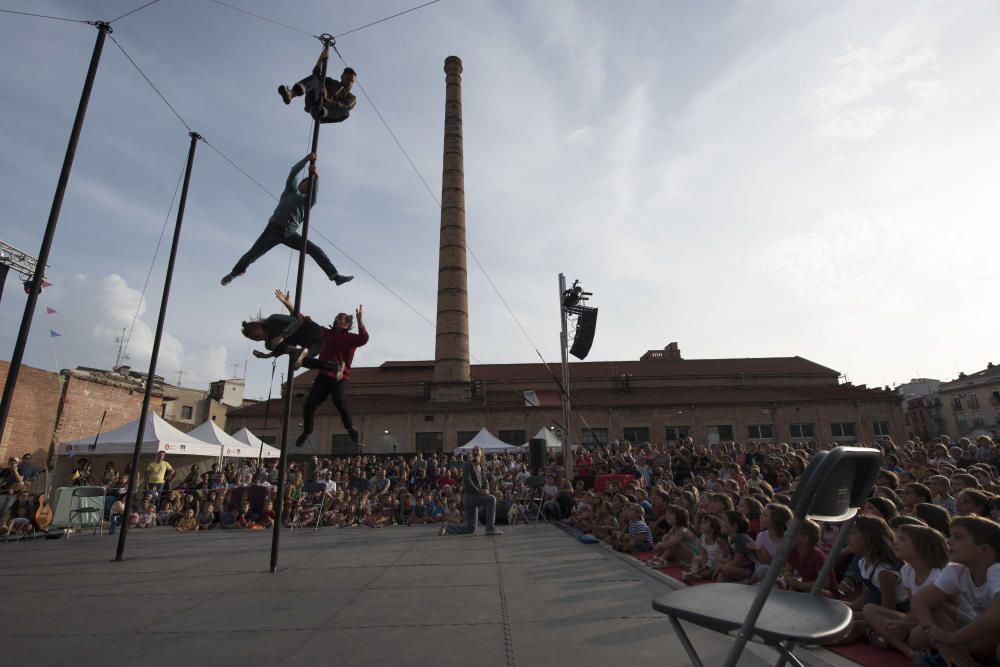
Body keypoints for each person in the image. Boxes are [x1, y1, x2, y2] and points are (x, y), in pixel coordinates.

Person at [221, 152, 353, 286]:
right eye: (306, 182)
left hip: (289, 233)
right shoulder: (291, 190)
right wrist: (306, 160)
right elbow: (293, 172)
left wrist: (316, 178)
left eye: (310, 185)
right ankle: (235, 273)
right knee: (252, 254)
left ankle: (335, 277)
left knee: (316, 250)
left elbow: (315, 196)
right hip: (273, 230)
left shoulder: (307, 202)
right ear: (300, 184)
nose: (308, 185)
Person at [295, 305, 368, 448]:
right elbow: (306, 322)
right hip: (323, 376)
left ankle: (350, 428)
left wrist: (360, 322)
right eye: (340, 315)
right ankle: (307, 431)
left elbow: (364, 339)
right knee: (309, 405)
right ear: (335, 320)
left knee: (339, 400)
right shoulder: (324, 333)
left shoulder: (350, 338)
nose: (342, 317)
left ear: (347, 324)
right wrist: (290, 304)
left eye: (345, 318)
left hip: (340, 377)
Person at [243, 290, 343, 373]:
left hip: (311, 330)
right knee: (302, 361)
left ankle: (298, 352)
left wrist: (282, 336)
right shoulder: (269, 344)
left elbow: (298, 320)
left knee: (279, 344)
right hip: (315, 344)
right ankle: (333, 366)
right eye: (254, 339)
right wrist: (266, 356)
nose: (258, 339)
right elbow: (280, 350)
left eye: (256, 335)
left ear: (259, 327)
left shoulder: (273, 319)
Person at [439, 447, 503, 536]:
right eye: (474, 450)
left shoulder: (483, 468)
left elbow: (486, 482)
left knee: (471, 528)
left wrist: (487, 489)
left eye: (477, 449)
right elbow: (468, 482)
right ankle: (490, 528)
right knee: (491, 499)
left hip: (476, 497)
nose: (475, 451)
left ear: (481, 454)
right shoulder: (468, 465)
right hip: (469, 497)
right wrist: (481, 492)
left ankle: (448, 527)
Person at [278, 51, 357, 124]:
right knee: (315, 79)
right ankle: (291, 94)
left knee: (346, 113)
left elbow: (344, 106)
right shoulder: (332, 82)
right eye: (347, 79)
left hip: (327, 113)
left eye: (352, 81)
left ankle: (321, 112)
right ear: (342, 77)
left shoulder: (351, 98)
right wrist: (321, 59)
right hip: (314, 102)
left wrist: (327, 99)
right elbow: (316, 74)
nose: (349, 82)